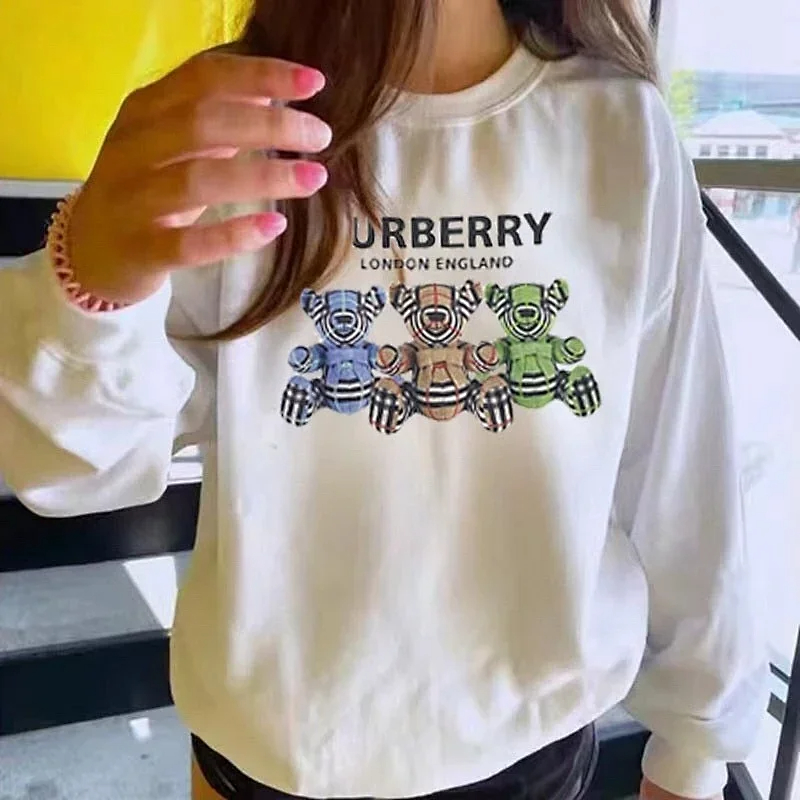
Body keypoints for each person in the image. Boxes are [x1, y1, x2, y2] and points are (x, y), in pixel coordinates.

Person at [0, 1, 767, 799]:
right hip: (265, 750)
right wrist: (90, 285)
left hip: (525, 749)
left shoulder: (620, 130)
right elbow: (77, 467)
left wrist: (695, 748)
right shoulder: (228, 122)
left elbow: (681, 464)